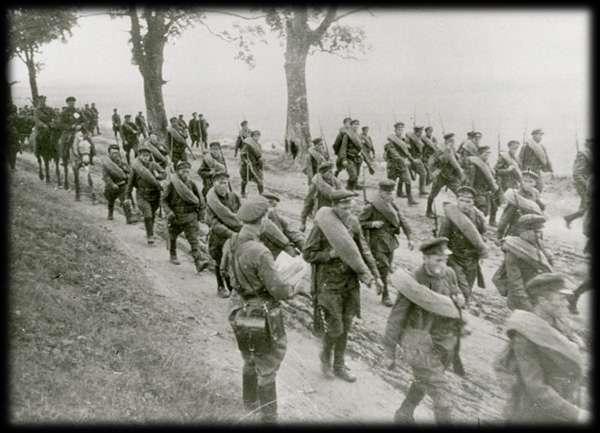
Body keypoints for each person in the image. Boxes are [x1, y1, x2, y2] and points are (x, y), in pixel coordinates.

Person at [220, 196, 300, 423]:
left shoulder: (232, 241)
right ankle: (269, 417)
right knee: (268, 363)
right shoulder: (260, 251)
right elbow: (279, 290)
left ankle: (249, 401)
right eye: (266, 217)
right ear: (262, 220)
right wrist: (294, 287)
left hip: (238, 308)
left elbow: (225, 269)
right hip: (260, 313)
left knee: (249, 356)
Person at [303, 189, 383, 382]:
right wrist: (328, 255)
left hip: (350, 282)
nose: (347, 208)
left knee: (346, 326)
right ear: (334, 206)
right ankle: (325, 358)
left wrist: (376, 276)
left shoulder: (353, 223)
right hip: (328, 283)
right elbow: (307, 253)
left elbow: (364, 251)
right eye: (343, 205)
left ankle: (339, 365)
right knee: (336, 327)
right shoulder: (323, 226)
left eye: (349, 204)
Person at [384, 237, 465, 423]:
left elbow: (455, 289)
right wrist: (389, 351)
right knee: (441, 392)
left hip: (443, 340)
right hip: (419, 341)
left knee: (425, 380)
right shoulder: (414, 282)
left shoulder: (449, 273)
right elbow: (397, 316)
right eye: (438, 260)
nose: (442, 265)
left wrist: (459, 296)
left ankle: (404, 414)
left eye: (445, 260)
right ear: (425, 258)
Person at [494, 273, 589, 424]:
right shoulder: (525, 335)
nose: (567, 303)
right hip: (532, 413)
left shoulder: (559, 323)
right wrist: (576, 414)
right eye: (561, 298)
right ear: (542, 301)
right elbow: (536, 388)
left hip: (562, 403)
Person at [359, 179, 414, 306]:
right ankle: (386, 295)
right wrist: (372, 224)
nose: (390, 195)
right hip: (377, 242)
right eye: (387, 193)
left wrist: (410, 237)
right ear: (380, 192)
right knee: (384, 268)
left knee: (386, 266)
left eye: (391, 193)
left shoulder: (392, 205)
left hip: (390, 242)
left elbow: (402, 220)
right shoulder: (371, 206)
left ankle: (372, 278)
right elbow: (359, 223)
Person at [438, 186, 488, 306]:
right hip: (455, 258)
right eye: (461, 200)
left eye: (468, 201)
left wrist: (481, 254)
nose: (464, 204)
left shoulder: (478, 217)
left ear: (473, 202)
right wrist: (447, 257)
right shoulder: (450, 217)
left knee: (468, 289)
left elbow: (482, 236)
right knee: (463, 290)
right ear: (457, 200)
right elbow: (442, 240)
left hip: (472, 260)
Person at [494, 214, 553, 311]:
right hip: (520, 297)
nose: (539, 235)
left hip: (536, 292)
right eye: (536, 232)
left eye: (540, 232)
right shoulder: (514, 250)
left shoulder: (538, 243)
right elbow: (515, 281)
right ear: (525, 232)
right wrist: (525, 303)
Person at [161, 160, 211, 272]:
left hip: (190, 217)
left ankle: (198, 262)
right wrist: (169, 212)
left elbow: (200, 201)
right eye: (183, 171)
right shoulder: (172, 185)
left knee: (193, 240)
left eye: (187, 171)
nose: (185, 173)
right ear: (178, 172)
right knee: (173, 236)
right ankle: (173, 254)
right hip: (176, 217)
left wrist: (201, 215)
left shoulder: (192, 184)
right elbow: (164, 201)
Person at [205, 171, 242, 298]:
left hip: (235, 235)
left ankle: (234, 288)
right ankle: (221, 286)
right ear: (214, 184)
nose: (224, 186)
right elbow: (213, 223)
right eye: (220, 183)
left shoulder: (234, 197)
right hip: (219, 236)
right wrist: (230, 233)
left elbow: (241, 215)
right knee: (219, 260)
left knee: (235, 262)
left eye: (225, 183)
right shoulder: (211, 201)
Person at [125, 145, 166, 245]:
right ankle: (150, 236)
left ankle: (150, 230)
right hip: (142, 195)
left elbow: (164, 174)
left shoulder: (154, 165)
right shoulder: (136, 168)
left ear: (150, 156)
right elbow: (130, 183)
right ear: (139, 156)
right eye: (143, 156)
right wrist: (127, 197)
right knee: (148, 214)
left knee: (152, 214)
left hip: (155, 195)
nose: (145, 158)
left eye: (147, 156)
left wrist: (158, 176)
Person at [496, 171, 546, 240]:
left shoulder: (535, 193)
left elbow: (540, 207)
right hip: (517, 228)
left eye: (530, 181)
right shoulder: (515, 196)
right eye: (525, 181)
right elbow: (505, 218)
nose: (527, 184)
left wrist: (542, 207)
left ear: (535, 183)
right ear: (521, 182)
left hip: (531, 228)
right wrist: (499, 235)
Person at [426, 133, 465, 218]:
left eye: (453, 141)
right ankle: (428, 211)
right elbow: (432, 162)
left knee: (459, 193)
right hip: (441, 176)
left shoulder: (452, 149)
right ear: (447, 141)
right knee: (433, 194)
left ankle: (462, 212)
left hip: (451, 177)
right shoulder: (440, 150)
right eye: (451, 141)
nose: (453, 142)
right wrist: (445, 156)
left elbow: (457, 162)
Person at [300, 161, 344, 232]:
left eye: (331, 171)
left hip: (334, 214)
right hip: (320, 215)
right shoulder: (316, 185)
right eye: (329, 172)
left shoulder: (336, 183)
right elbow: (308, 203)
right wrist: (303, 222)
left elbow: (343, 197)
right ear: (323, 174)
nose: (331, 174)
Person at [261, 192, 305, 259]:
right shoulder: (258, 222)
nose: (271, 209)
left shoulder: (275, 216)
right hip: (271, 257)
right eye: (269, 203)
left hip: (286, 253)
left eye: (273, 206)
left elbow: (292, 231)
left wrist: (303, 245)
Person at [463, 145, 501, 220]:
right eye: (486, 154)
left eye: (488, 154)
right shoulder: (474, 165)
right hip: (477, 190)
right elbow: (470, 180)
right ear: (480, 154)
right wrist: (470, 192)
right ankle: (476, 223)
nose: (487, 156)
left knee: (494, 207)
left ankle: (491, 222)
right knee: (482, 209)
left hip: (487, 190)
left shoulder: (487, 164)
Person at [57, 96, 85, 190]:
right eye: (70, 102)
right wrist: (71, 127)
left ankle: (88, 157)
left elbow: (84, 120)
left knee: (87, 141)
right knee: (63, 141)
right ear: (67, 103)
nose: (72, 103)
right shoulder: (64, 113)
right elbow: (61, 124)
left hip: (78, 131)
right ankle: (63, 158)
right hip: (68, 131)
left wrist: (81, 125)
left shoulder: (78, 112)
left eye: (73, 102)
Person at [102, 144, 135, 223]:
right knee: (111, 200)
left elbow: (129, 172)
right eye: (113, 153)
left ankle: (129, 217)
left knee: (125, 200)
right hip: (111, 186)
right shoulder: (106, 164)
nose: (115, 155)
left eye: (117, 153)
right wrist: (112, 184)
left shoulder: (122, 162)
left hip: (122, 185)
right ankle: (110, 213)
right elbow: (106, 177)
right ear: (109, 154)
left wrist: (128, 176)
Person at [384, 122, 416, 204]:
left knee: (408, 180)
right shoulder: (391, 140)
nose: (400, 131)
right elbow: (393, 153)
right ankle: (385, 199)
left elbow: (408, 150)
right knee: (390, 184)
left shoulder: (404, 140)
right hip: (393, 166)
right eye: (398, 129)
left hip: (402, 166)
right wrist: (403, 160)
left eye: (401, 129)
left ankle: (410, 199)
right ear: (395, 130)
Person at [564, 138, 592, 228]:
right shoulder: (583, 154)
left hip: (589, 184)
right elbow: (577, 173)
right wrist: (587, 185)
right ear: (588, 144)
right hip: (585, 185)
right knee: (587, 206)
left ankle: (569, 218)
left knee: (586, 206)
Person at [336, 119, 366, 191]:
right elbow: (343, 148)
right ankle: (349, 189)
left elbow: (361, 147)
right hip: (349, 158)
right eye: (354, 125)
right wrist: (343, 159)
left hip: (357, 158)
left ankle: (355, 186)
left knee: (357, 174)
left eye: (357, 125)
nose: (356, 126)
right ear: (351, 126)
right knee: (353, 175)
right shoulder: (347, 135)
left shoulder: (358, 135)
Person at [70, 126, 96, 203]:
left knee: (88, 175)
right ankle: (77, 194)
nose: (84, 135)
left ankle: (93, 194)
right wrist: (77, 156)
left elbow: (90, 146)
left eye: (85, 133)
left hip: (85, 156)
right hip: (78, 157)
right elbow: (75, 147)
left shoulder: (87, 137)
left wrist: (90, 154)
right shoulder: (77, 137)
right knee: (76, 174)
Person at [405, 126, 430, 197]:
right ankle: (421, 190)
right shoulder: (410, 139)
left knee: (424, 173)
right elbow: (407, 149)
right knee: (423, 173)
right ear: (416, 132)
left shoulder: (418, 139)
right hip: (413, 159)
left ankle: (421, 189)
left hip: (418, 159)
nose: (421, 133)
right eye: (420, 132)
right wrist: (411, 158)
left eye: (421, 132)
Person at [239, 129, 264, 197]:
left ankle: (261, 194)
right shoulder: (248, 144)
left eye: (258, 136)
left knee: (260, 180)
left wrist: (260, 165)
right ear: (252, 136)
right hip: (247, 165)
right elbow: (242, 154)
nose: (257, 137)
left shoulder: (258, 145)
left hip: (255, 165)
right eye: (256, 136)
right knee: (245, 180)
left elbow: (260, 156)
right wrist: (246, 161)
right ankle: (243, 192)